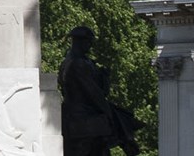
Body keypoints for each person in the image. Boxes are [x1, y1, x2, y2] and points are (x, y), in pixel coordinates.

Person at [60, 26, 144, 156]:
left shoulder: (77, 62)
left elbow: (102, 91)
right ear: (79, 42)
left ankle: (127, 139)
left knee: (121, 116)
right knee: (119, 117)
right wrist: (108, 112)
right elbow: (94, 94)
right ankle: (128, 141)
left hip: (83, 110)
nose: (90, 46)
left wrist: (104, 77)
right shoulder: (77, 63)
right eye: (89, 42)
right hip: (81, 112)